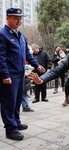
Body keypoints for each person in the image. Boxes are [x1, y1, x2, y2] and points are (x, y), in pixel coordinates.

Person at [0, 8, 45, 140]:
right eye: (15, 18)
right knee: (9, 103)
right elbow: (1, 57)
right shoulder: (2, 35)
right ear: (8, 18)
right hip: (9, 75)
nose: (19, 21)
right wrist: (5, 75)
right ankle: (11, 129)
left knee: (17, 101)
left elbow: (28, 55)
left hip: (20, 74)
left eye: (20, 18)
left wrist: (37, 65)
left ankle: (16, 122)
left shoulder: (22, 36)